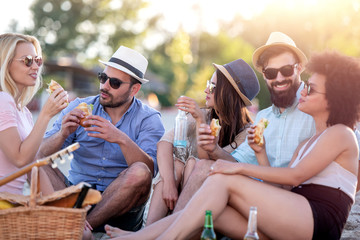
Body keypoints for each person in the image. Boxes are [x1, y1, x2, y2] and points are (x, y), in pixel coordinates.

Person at [106, 51, 360, 240]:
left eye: (311, 89)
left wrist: (237, 169)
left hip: (318, 224)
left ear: (334, 99)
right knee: (211, 210)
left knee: (220, 179)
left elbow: (295, 175)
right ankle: (139, 237)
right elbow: (283, 187)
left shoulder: (341, 134)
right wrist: (260, 154)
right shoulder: (308, 142)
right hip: (292, 220)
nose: (303, 91)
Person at [172, 31, 316, 212]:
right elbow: (238, 163)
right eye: (271, 73)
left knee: (207, 176)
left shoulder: (316, 105)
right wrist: (214, 149)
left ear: (300, 68)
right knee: (204, 167)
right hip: (263, 195)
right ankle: (169, 228)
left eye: (286, 70)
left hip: (301, 206)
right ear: (265, 76)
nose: (279, 78)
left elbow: (350, 148)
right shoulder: (264, 117)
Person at [37, 45, 165, 233]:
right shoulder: (79, 106)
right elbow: (40, 154)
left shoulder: (149, 119)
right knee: (34, 163)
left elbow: (150, 171)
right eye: (103, 78)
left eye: (114, 83)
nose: (104, 86)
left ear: (134, 89)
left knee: (140, 172)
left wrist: (120, 139)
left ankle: (78, 227)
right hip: (77, 197)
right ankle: (79, 227)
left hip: (121, 207)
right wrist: (62, 133)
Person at [146, 59, 260, 225]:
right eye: (209, 83)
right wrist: (170, 183)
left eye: (213, 87)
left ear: (228, 93)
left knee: (192, 163)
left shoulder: (245, 134)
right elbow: (164, 143)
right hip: (181, 193)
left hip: (212, 202)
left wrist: (200, 121)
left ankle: (168, 231)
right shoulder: (206, 114)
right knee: (175, 166)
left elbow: (206, 162)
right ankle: (147, 232)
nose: (206, 89)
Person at [0, 33, 68, 195]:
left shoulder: (24, 112)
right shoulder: (2, 100)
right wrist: (46, 114)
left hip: (13, 206)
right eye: (27, 61)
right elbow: (20, 159)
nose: (36, 67)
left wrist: (58, 207)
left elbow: (32, 168)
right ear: (5, 64)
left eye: (37, 60)